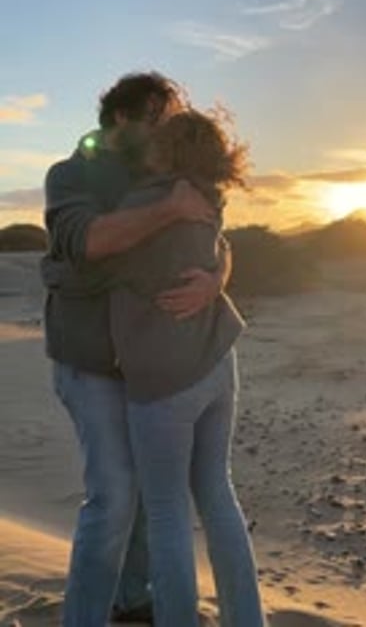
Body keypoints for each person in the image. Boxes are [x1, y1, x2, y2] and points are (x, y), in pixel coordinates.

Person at [42, 73, 230, 627]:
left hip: (149, 359)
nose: (164, 128)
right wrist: (168, 212)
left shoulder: (161, 172)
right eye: (156, 115)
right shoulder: (70, 173)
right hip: (90, 361)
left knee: (152, 493)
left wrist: (217, 278)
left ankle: (132, 599)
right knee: (116, 496)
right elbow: (87, 243)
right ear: (121, 118)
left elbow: (217, 237)